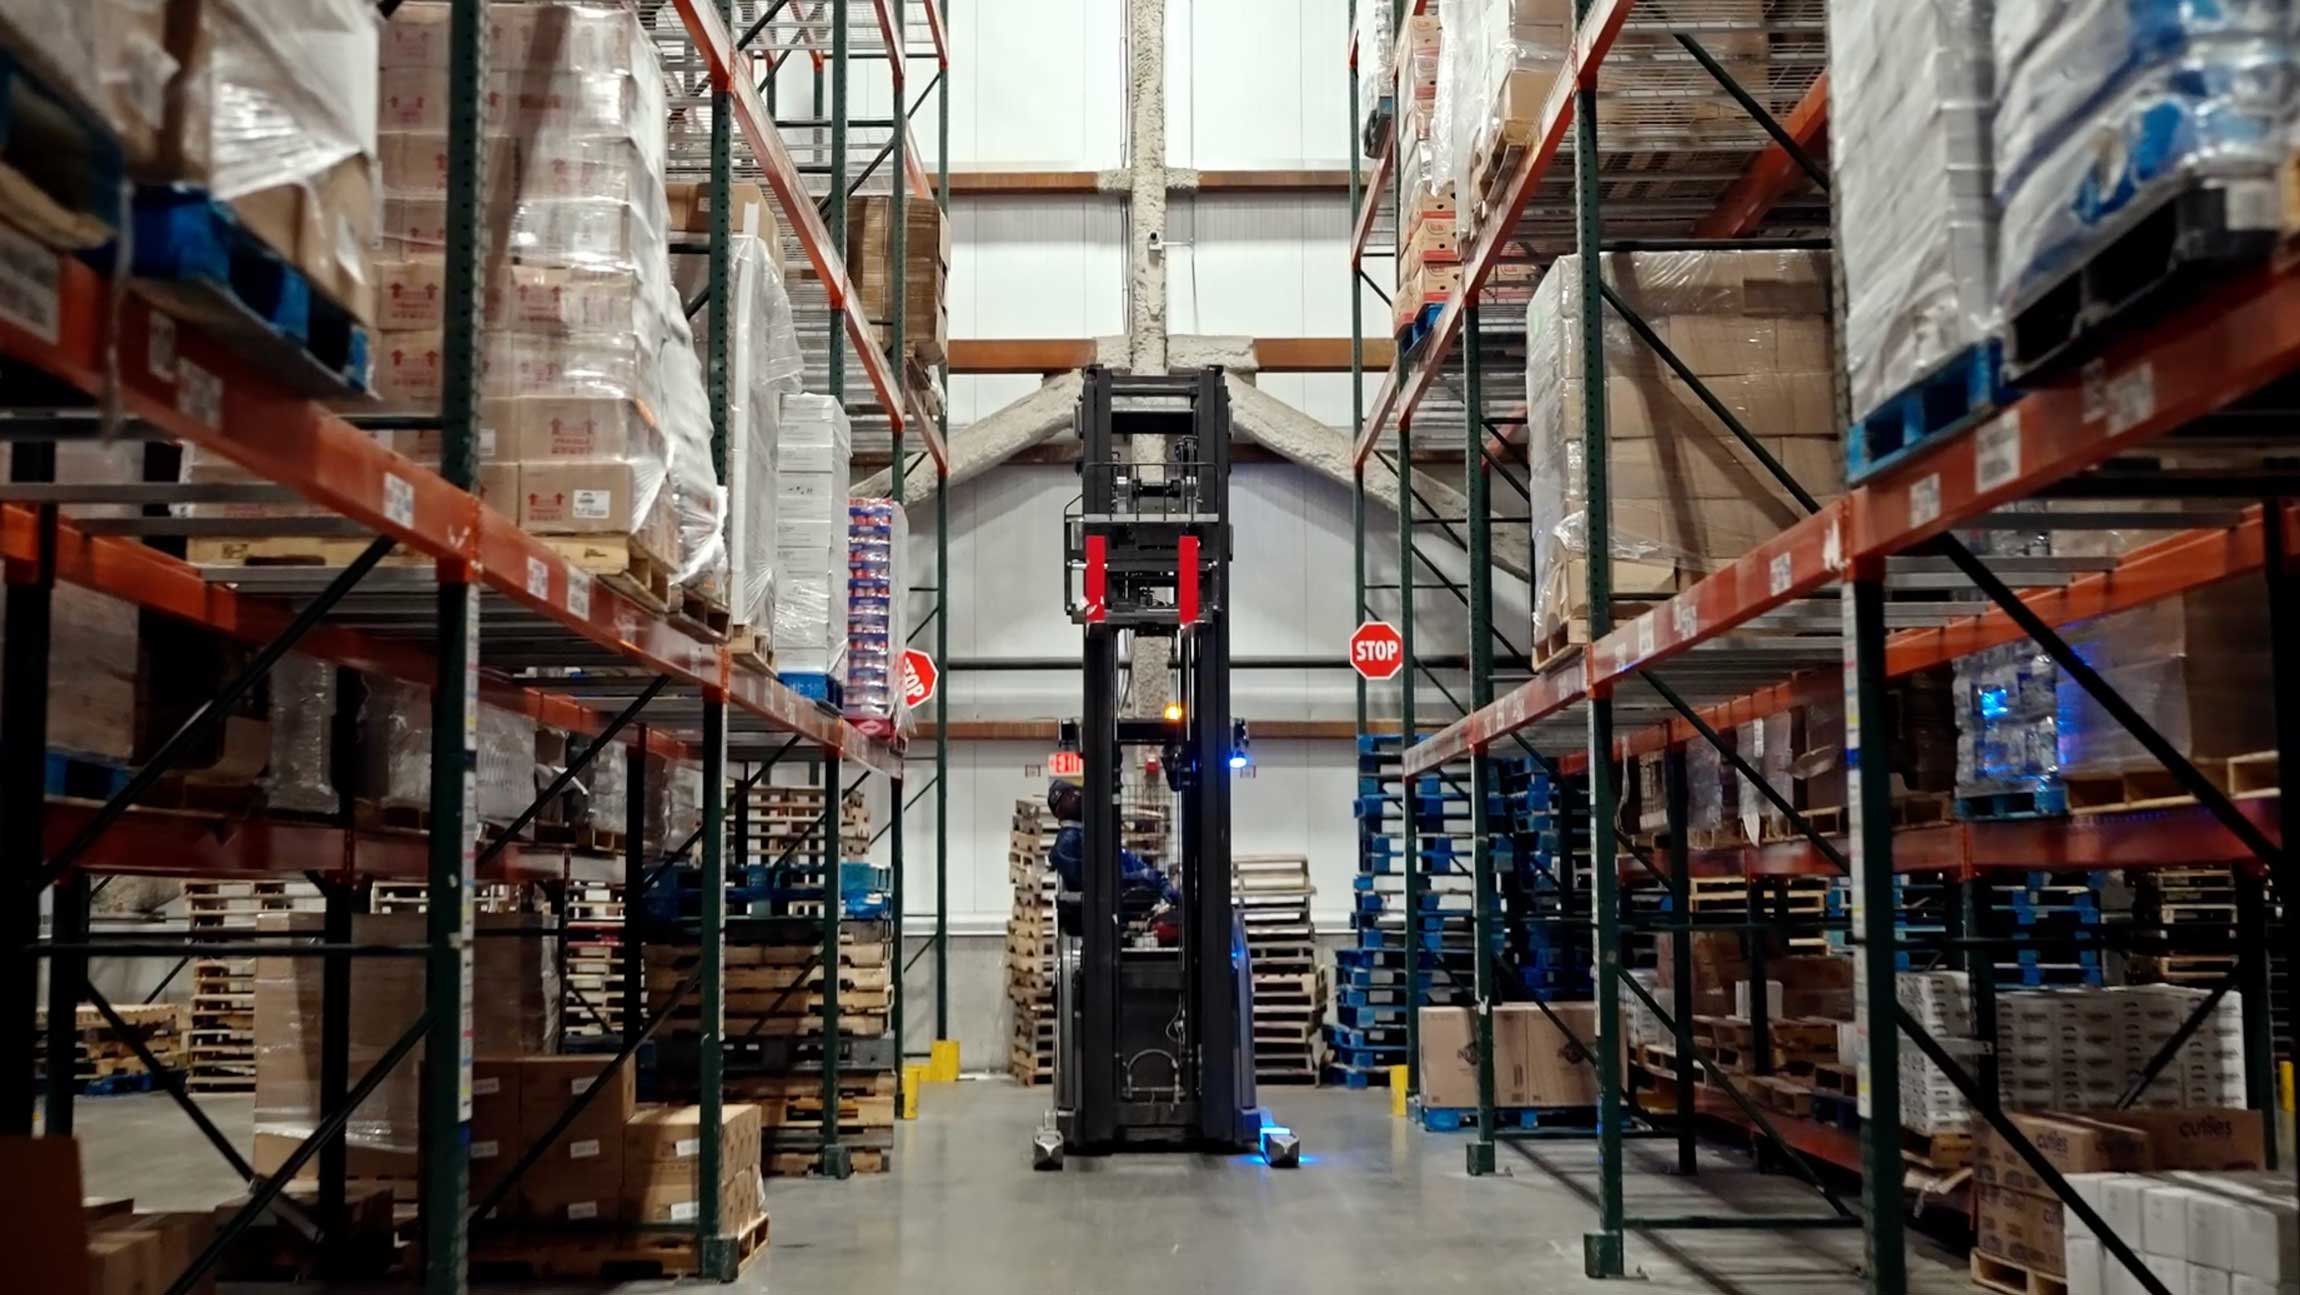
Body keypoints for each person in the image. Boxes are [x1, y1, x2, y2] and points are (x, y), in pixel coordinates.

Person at [1046, 779, 1179, 907]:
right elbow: (1094, 882)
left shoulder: (1088, 834)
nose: (1077, 797)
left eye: (1076, 794)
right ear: (1060, 810)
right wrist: (1143, 878)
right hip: (1103, 908)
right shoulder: (1068, 841)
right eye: (1071, 796)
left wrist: (1153, 878)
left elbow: (1124, 859)